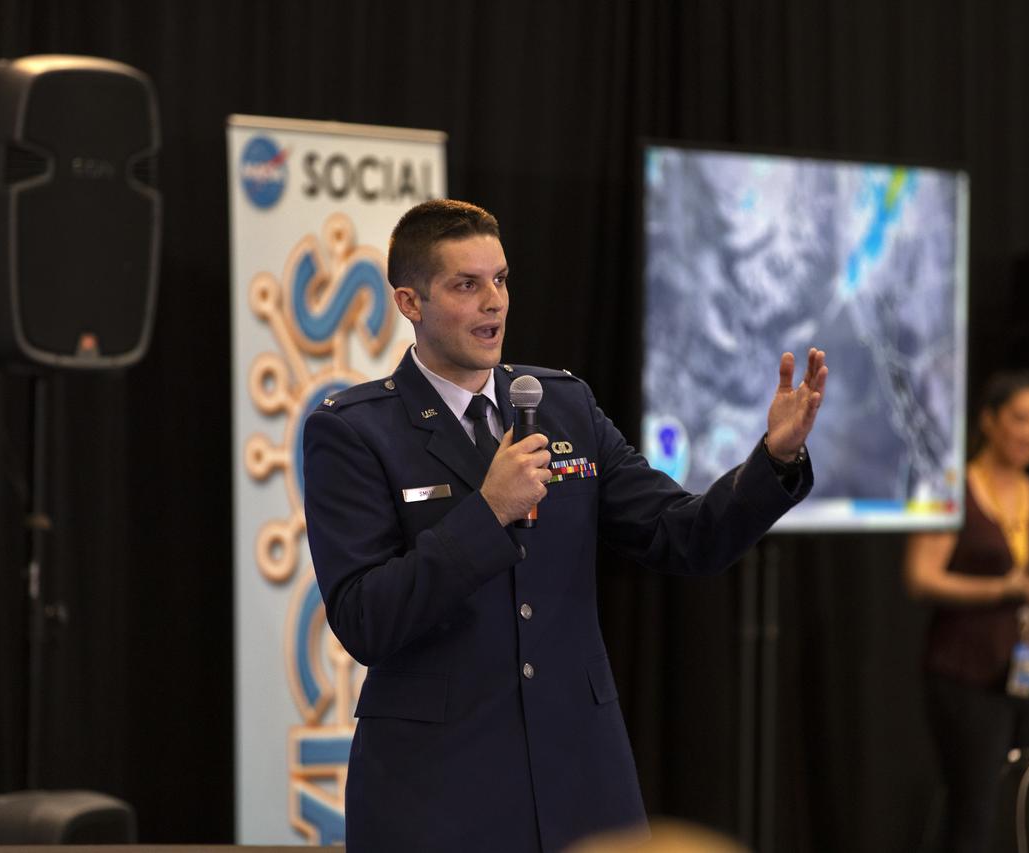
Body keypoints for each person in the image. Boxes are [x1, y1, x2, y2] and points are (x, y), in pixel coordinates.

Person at [302, 199, 828, 852]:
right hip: (437, 787)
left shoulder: (563, 404)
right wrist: (485, 512)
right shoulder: (354, 431)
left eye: (500, 279)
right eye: (467, 285)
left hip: (581, 776)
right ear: (410, 302)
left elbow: (682, 535)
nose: (494, 301)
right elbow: (364, 618)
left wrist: (773, 460)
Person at [904, 371, 1029, 853]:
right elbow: (920, 577)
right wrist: (1001, 588)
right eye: (1020, 419)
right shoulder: (949, 486)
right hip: (967, 675)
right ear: (989, 420)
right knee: (975, 812)